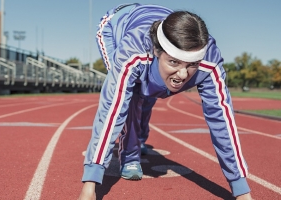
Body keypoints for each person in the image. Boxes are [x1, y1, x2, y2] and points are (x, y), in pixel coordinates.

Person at [79, 3, 252, 200]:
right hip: (116, 26)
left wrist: (241, 190)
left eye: (191, 65)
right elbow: (112, 110)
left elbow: (222, 121)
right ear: (156, 51)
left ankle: (140, 138)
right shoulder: (133, 51)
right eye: (174, 62)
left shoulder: (209, 61)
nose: (182, 74)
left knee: (152, 92)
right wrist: (90, 184)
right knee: (131, 94)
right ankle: (130, 155)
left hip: (156, 26)